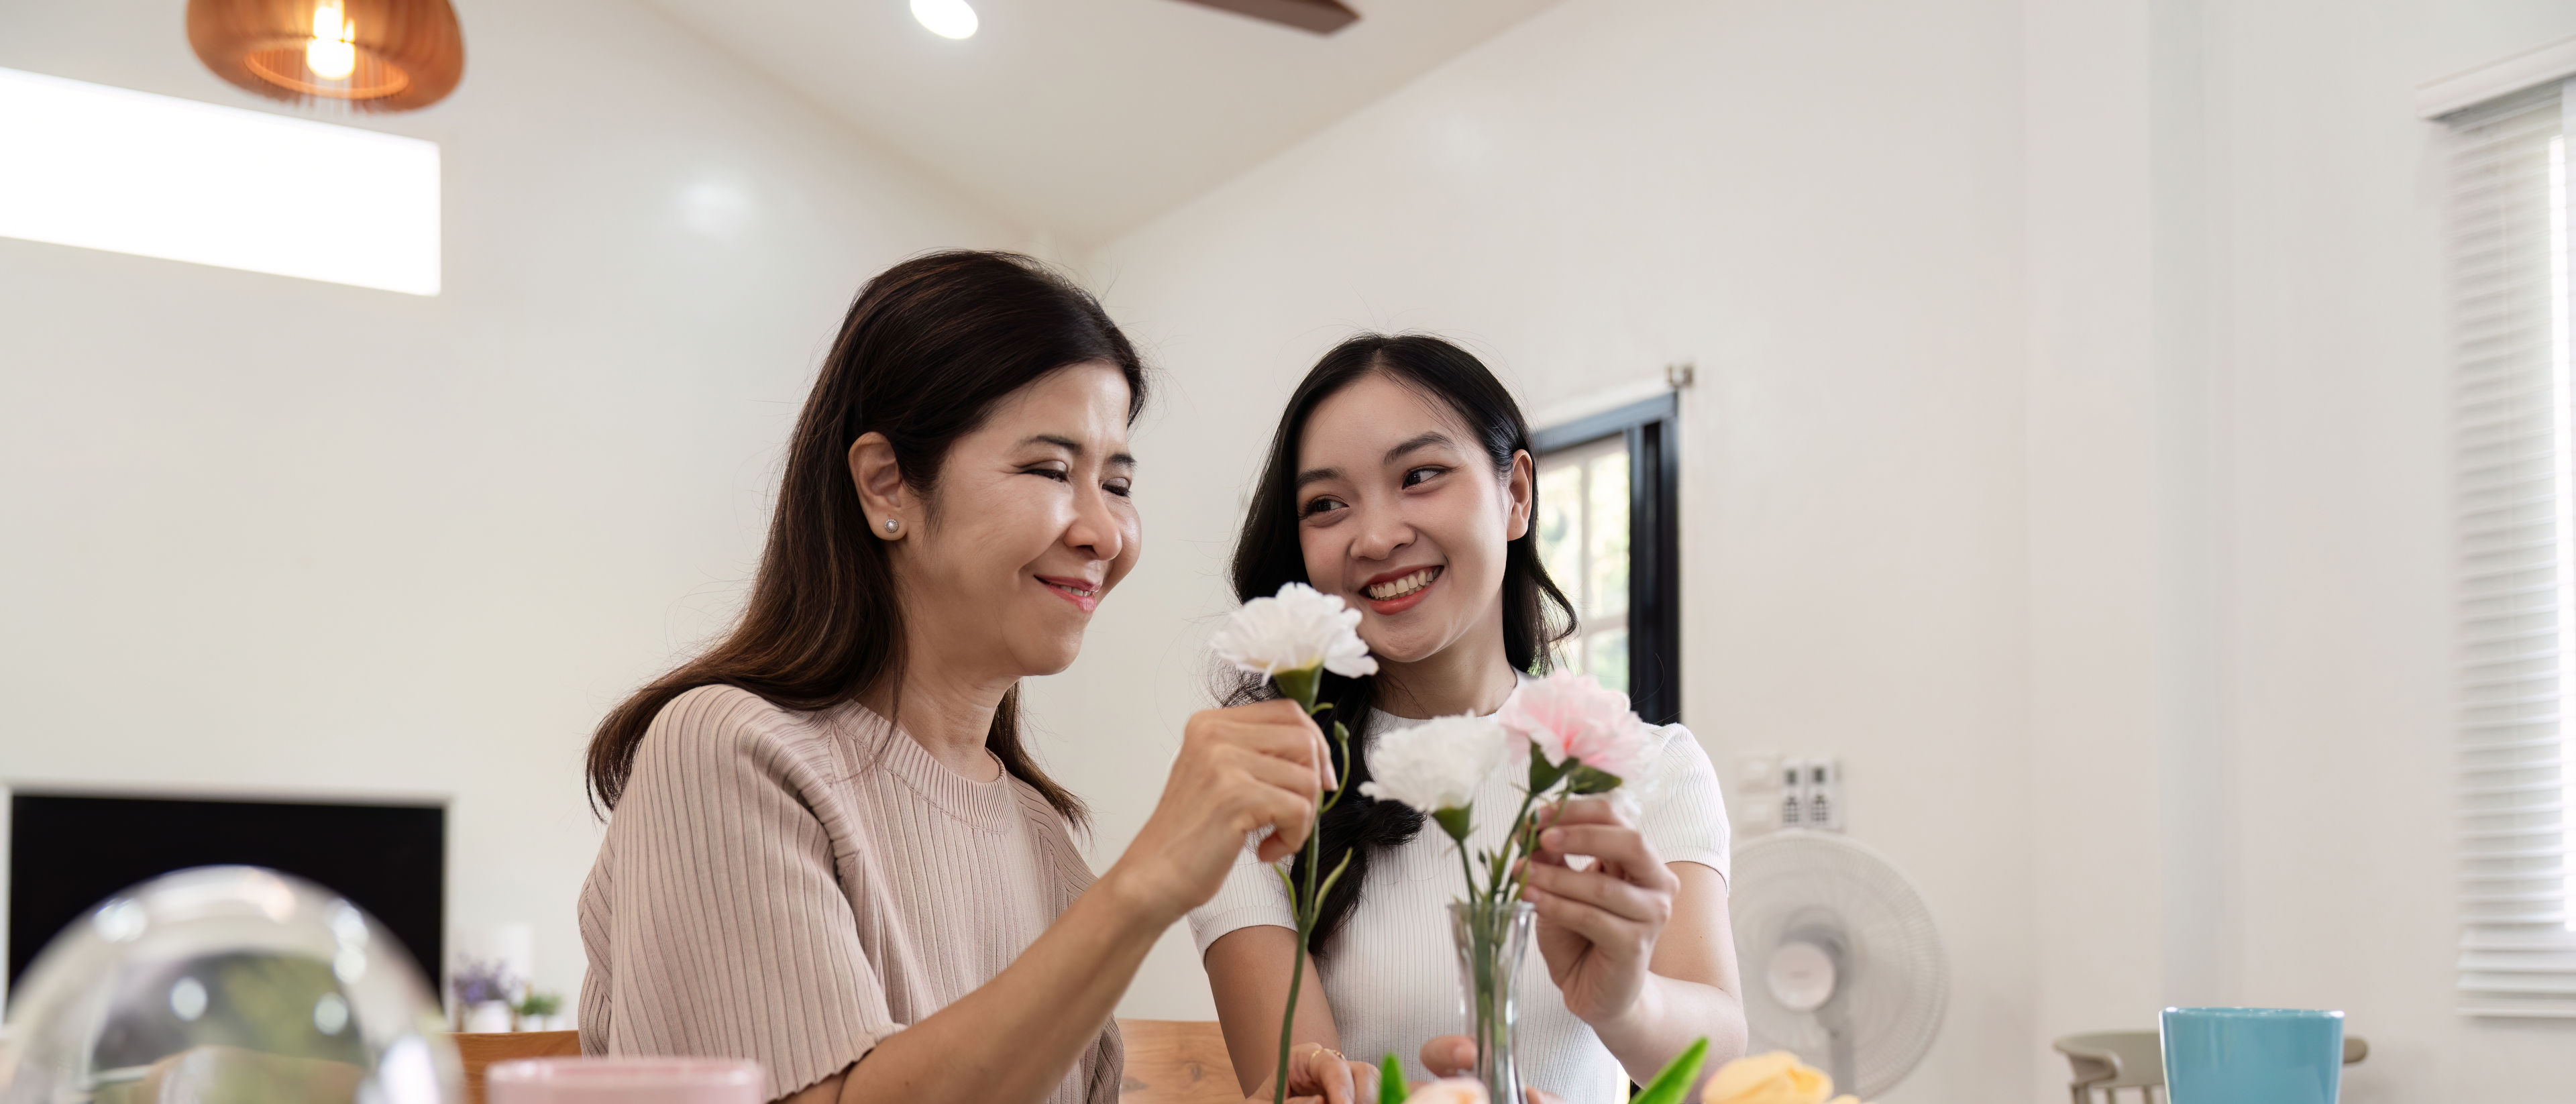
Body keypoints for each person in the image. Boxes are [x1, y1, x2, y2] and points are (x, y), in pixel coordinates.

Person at [576, 252, 1360, 1104]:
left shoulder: (1039, 834)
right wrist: (1149, 880)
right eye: (1051, 470)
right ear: (887, 484)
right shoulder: (727, 749)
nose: (1104, 531)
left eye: (1119, 482)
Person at [1193, 335, 1749, 1104]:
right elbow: (1301, 1084)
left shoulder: (1650, 765)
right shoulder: (1261, 790)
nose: (1377, 536)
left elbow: (1718, 1075)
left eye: (1420, 475)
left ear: (1516, 493)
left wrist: (1623, 1000)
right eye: (1327, 504)